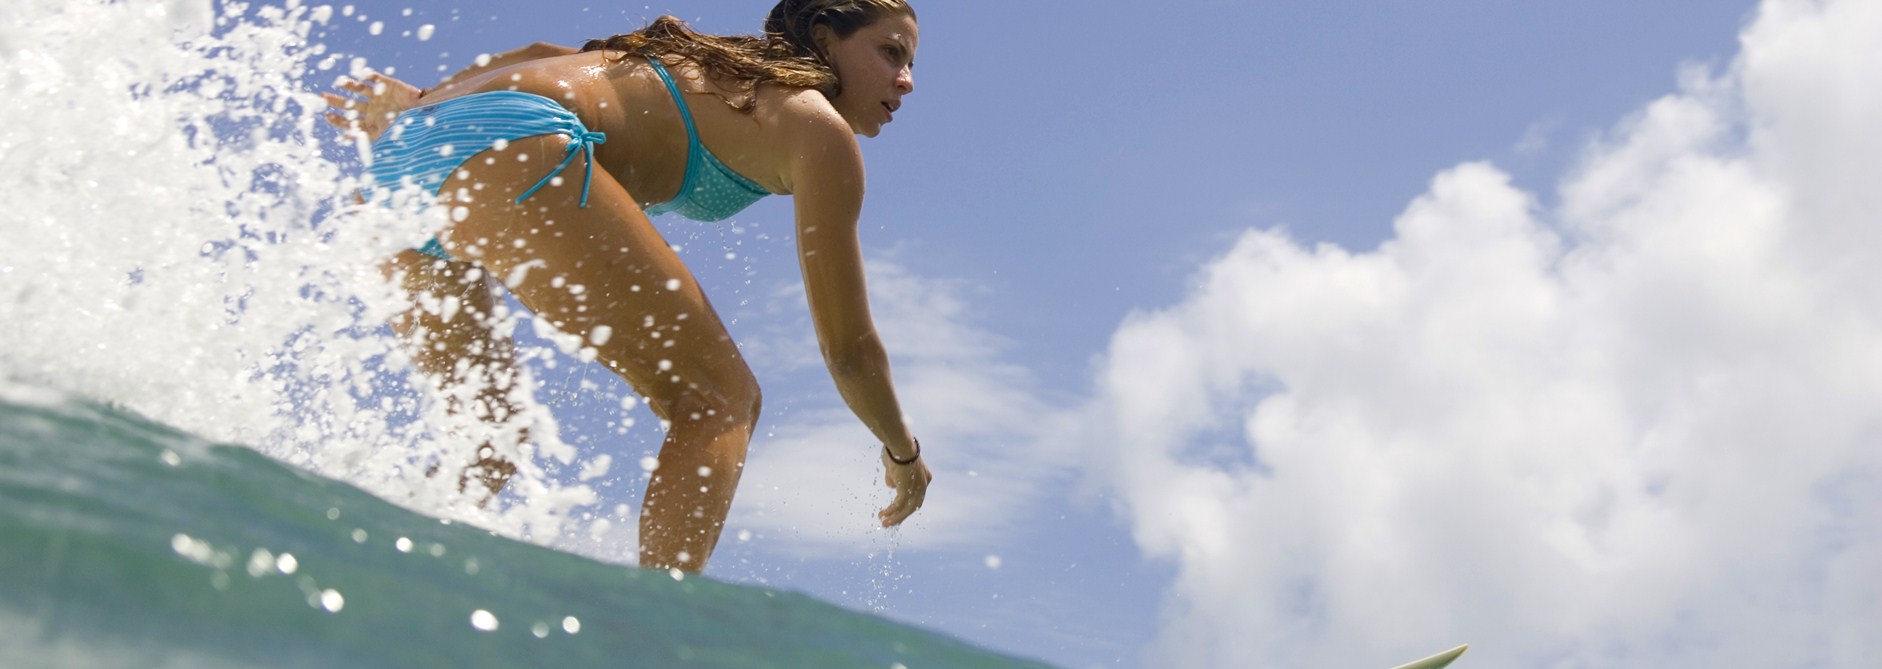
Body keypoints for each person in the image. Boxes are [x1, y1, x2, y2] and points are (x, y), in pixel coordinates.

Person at [321, 0, 930, 573]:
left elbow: (535, 50)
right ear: (825, 38)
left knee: (490, 433)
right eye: (891, 52)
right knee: (719, 401)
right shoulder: (817, 128)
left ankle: (360, 570)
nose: (905, 80)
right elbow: (848, 350)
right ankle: (648, 636)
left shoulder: (697, 63)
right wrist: (902, 452)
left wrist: (424, 99)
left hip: (405, 155)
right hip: (506, 140)